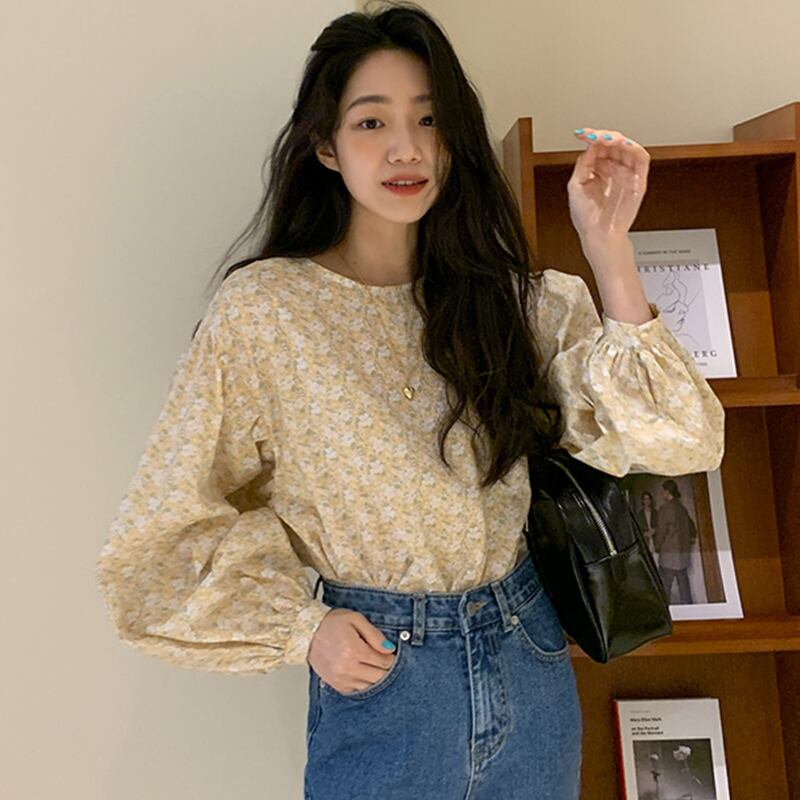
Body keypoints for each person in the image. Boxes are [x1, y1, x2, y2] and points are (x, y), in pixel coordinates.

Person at [94, 2, 726, 797]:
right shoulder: (267, 314)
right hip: (386, 678)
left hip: (526, 658)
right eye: (372, 122)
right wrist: (303, 630)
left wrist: (608, 248)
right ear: (325, 145)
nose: (407, 148)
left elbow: (682, 440)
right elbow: (160, 537)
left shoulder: (515, 302)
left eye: (429, 119)